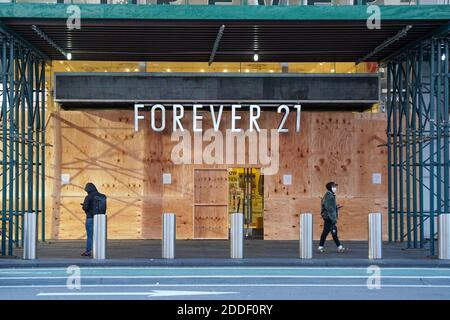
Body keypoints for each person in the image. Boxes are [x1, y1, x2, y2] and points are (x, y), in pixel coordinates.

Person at [318, 181, 346, 253]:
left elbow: (330, 207)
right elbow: (329, 208)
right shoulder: (329, 196)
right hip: (329, 217)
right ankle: (339, 247)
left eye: (335, 186)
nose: (335, 188)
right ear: (330, 188)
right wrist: (333, 219)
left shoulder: (329, 195)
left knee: (328, 232)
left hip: (328, 217)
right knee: (332, 232)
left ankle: (322, 246)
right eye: (333, 187)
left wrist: (336, 207)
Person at [80, 182, 100, 257]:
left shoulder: (88, 197)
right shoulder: (101, 196)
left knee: (90, 236)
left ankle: (88, 251)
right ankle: (99, 250)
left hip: (90, 218)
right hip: (100, 219)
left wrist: (84, 207)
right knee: (99, 235)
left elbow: (85, 207)